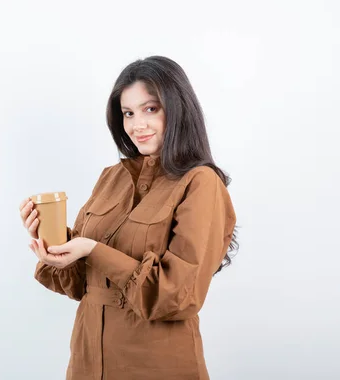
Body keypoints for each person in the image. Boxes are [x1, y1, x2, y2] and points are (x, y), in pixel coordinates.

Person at [18, 56, 239, 380]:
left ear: (177, 109)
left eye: (151, 109)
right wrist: (51, 240)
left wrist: (94, 250)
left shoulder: (200, 183)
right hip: (86, 362)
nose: (138, 125)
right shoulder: (112, 177)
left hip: (156, 365)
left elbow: (178, 297)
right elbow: (81, 284)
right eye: (128, 113)